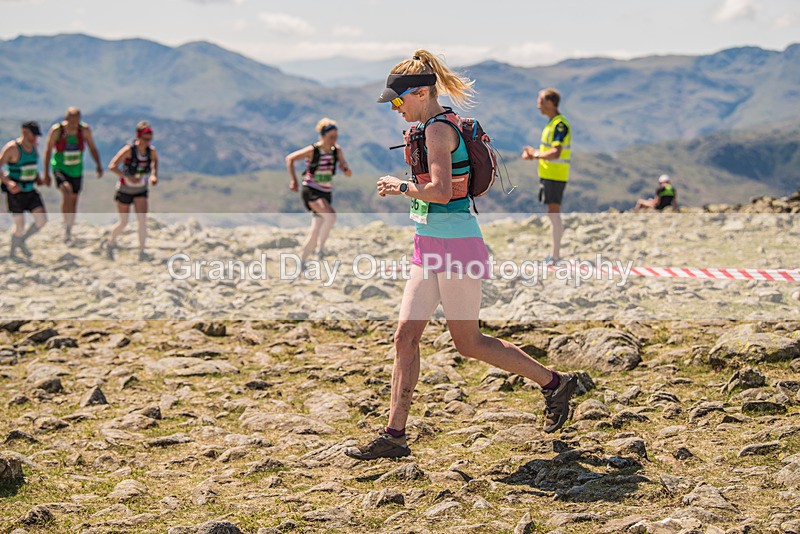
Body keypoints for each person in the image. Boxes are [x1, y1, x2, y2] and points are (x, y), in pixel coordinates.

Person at [345, 50, 580, 461]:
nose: (395, 109)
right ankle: (394, 435)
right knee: (405, 337)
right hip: (428, 242)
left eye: (398, 101)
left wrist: (400, 187)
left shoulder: (438, 131)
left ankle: (555, 383)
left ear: (421, 94)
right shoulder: (430, 127)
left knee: (468, 343)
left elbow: (440, 192)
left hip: (455, 246)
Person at [285, 118, 352, 264]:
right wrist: (294, 180)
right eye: (331, 137)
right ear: (323, 136)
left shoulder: (336, 151)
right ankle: (321, 250)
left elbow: (348, 172)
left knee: (315, 231)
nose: (334, 140)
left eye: (336, 136)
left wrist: (345, 168)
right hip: (311, 190)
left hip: (326, 192)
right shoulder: (313, 150)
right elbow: (290, 159)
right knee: (331, 217)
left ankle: (302, 261)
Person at [522, 88, 571, 264]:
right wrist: (535, 153)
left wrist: (535, 155)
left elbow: (556, 152)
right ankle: (554, 254)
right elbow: (549, 151)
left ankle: (555, 256)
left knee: (554, 214)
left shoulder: (559, 124)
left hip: (555, 175)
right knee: (552, 213)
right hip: (550, 175)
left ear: (550, 103)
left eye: (540, 101)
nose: (538, 105)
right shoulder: (552, 124)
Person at [43, 107, 104, 243]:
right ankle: (65, 223)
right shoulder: (57, 130)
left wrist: (98, 165)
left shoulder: (84, 130)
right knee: (66, 191)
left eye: (76, 121)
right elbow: (48, 151)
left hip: (76, 170)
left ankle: (69, 228)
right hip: (60, 167)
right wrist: (46, 173)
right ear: (66, 119)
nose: (74, 124)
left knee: (74, 200)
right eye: (71, 121)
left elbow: (92, 147)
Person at [105, 121, 159, 261]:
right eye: (145, 138)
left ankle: (142, 251)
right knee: (124, 222)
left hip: (141, 189)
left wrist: (153, 175)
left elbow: (155, 162)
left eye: (150, 139)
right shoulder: (128, 150)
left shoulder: (151, 151)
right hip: (125, 189)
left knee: (142, 220)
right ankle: (110, 242)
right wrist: (127, 176)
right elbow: (112, 166)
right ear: (138, 137)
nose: (147, 142)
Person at [0, 121, 48, 260]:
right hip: (16, 193)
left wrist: (37, 178)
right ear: (24, 132)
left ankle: (22, 240)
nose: (35, 138)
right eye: (33, 135)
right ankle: (13, 252)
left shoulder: (34, 147)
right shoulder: (12, 148)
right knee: (19, 225)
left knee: (42, 220)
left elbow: (31, 166)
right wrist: (8, 182)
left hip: (30, 190)